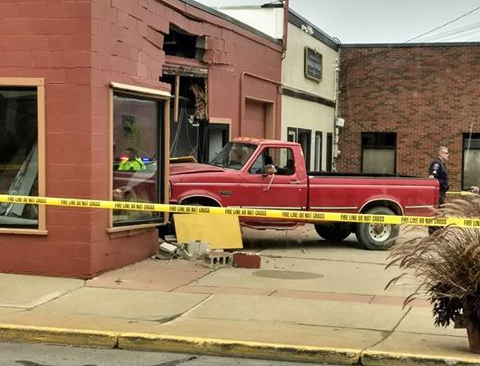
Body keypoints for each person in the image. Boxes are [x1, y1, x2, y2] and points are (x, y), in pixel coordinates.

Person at [428, 146, 449, 234]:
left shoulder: (441, 164)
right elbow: (432, 178)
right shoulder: (437, 164)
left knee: (440, 213)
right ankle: (435, 235)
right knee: (438, 213)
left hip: (441, 192)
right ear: (440, 153)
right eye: (446, 153)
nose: (448, 155)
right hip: (438, 193)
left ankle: (439, 234)